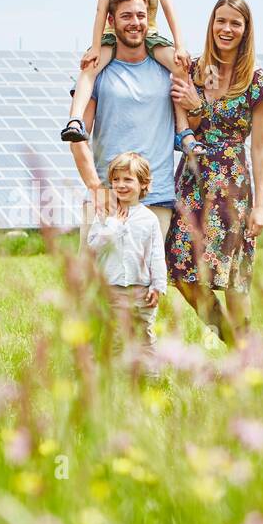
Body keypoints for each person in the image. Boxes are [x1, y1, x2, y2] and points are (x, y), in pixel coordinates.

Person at [166, 0, 263, 347]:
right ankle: (235, 344)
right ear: (211, 24)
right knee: (182, 271)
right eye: (221, 21)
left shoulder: (256, 81)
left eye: (235, 23)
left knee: (232, 280)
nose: (226, 29)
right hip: (193, 182)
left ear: (246, 30)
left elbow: (259, 147)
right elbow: (189, 122)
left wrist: (260, 206)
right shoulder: (198, 71)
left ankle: (246, 359)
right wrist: (197, 109)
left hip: (232, 185)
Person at [59, 0, 203, 160]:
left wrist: (180, 46)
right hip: (111, 36)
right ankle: (75, 122)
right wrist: (95, 47)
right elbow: (101, 10)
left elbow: (169, 8)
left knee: (180, 66)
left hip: (150, 34)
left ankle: (183, 132)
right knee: (89, 68)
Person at [67, 0, 176, 252]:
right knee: (93, 285)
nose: (135, 23)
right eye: (126, 16)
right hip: (106, 195)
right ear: (111, 20)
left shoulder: (167, 71)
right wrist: (96, 188)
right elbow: (78, 136)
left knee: (145, 283)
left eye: (140, 15)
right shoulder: (97, 70)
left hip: (155, 198)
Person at [87, 152, 166, 365]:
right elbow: (93, 247)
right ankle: (114, 379)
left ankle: (150, 378)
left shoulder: (149, 219)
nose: (121, 185)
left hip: (142, 291)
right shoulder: (104, 215)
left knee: (144, 337)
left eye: (127, 179)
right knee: (115, 337)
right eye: (116, 180)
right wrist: (114, 226)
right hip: (112, 290)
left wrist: (158, 285)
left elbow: (157, 254)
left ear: (143, 184)